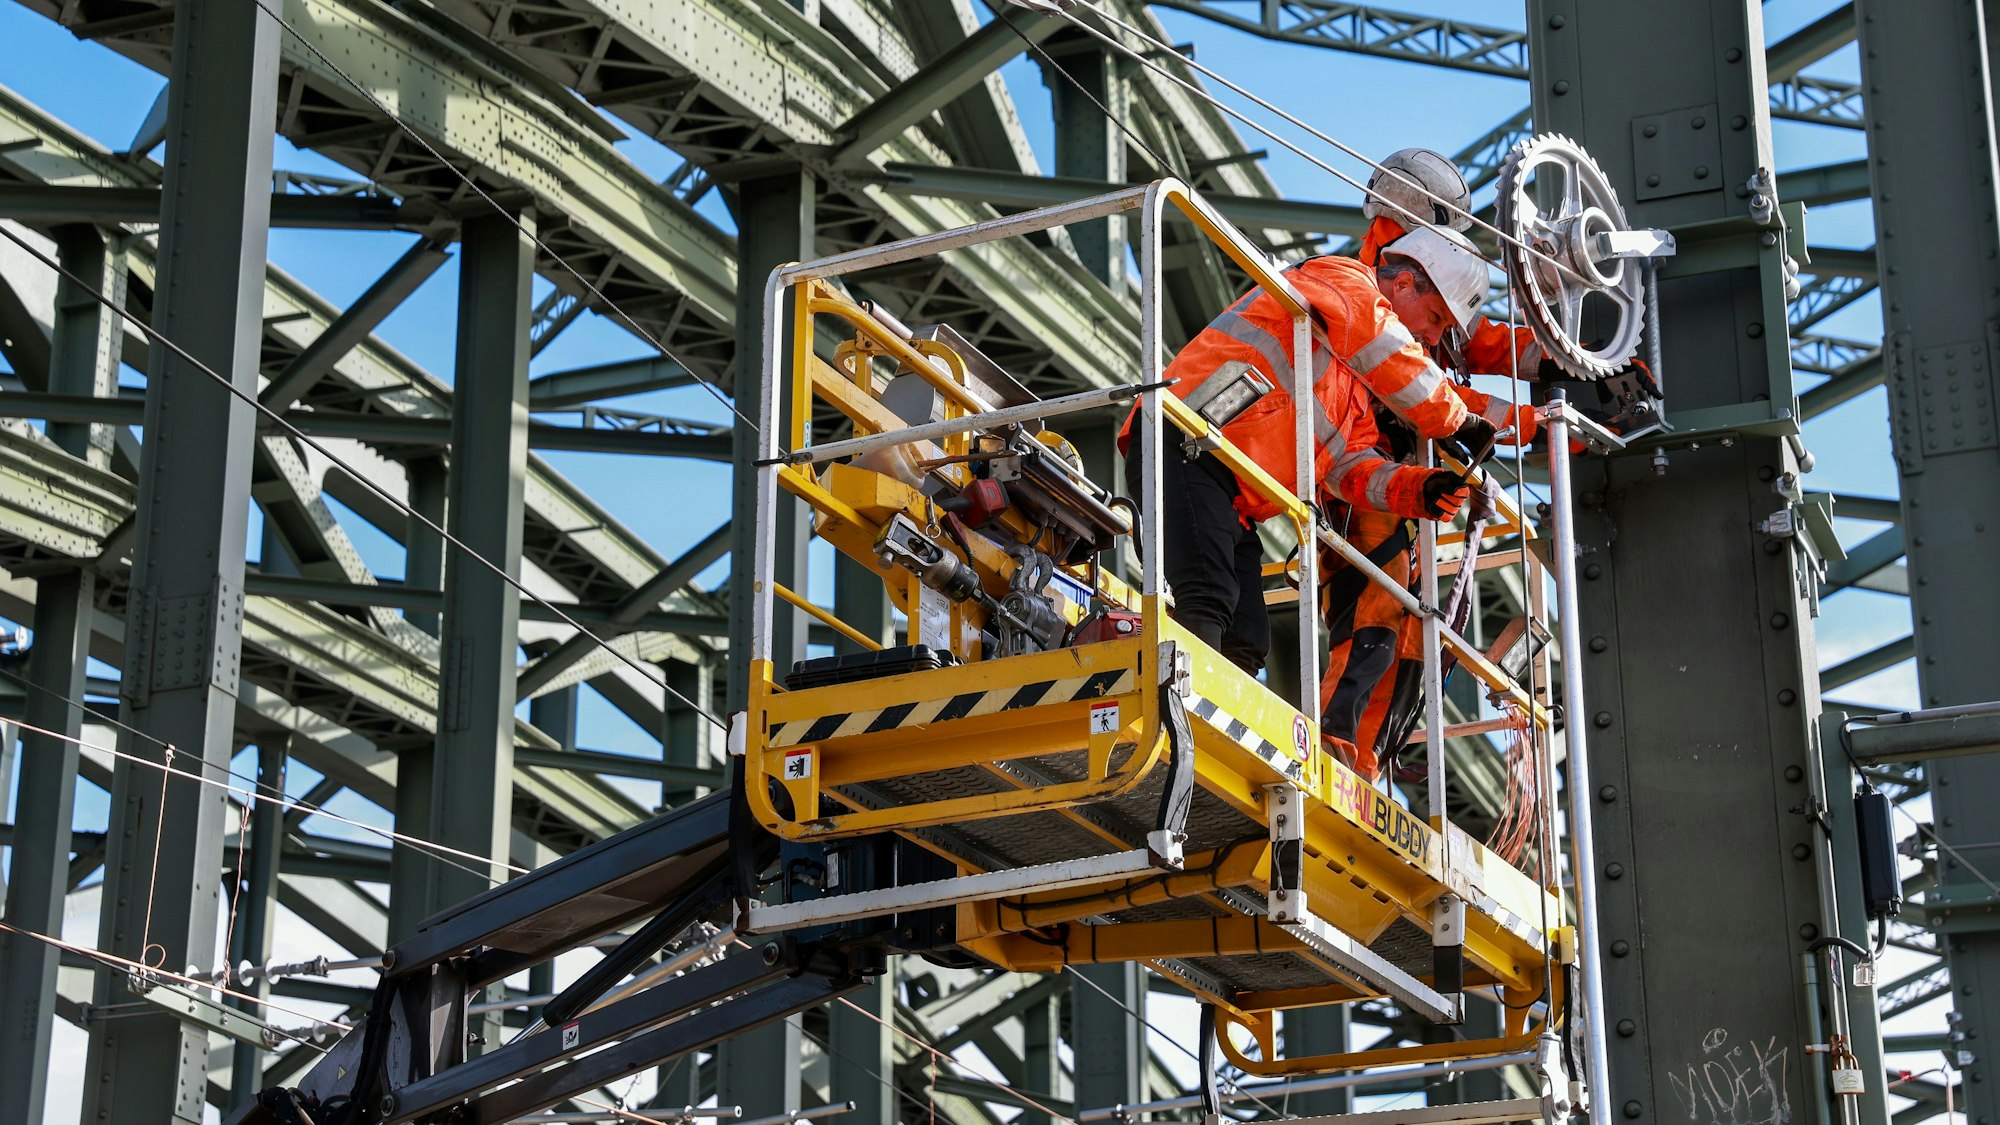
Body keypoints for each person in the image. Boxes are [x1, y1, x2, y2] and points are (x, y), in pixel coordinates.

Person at [1118, 224, 1497, 676]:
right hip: (1184, 443)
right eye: (1435, 317)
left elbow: (1349, 469)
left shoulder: (1352, 386)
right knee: (1207, 596)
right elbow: (1384, 343)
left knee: (1248, 639)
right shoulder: (1340, 279)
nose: (1433, 338)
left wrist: (1420, 489)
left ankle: (1204, 736)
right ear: (1401, 284)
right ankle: (1176, 727)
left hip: (1230, 487)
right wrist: (1457, 418)